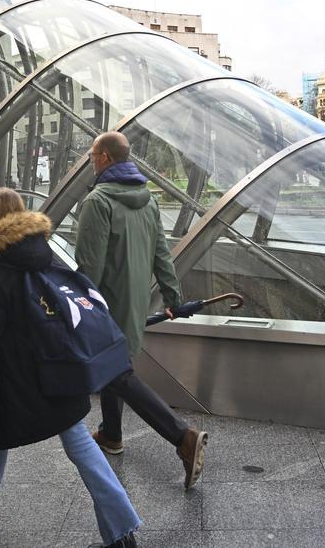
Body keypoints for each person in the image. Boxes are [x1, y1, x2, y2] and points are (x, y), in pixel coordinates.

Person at [0, 188, 141, 548]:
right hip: (57, 370)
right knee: (76, 444)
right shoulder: (42, 252)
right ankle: (121, 528)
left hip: (11, 380)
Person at [76, 131, 208, 491]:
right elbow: (161, 255)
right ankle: (112, 434)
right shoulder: (148, 200)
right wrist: (173, 296)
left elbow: (89, 266)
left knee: (118, 374)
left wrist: (79, 309)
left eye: (92, 154)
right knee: (115, 368)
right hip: (133, 303)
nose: (90, 160)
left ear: (104, 157)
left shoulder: (98, 202)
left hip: (103, 305)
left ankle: (182, 438)